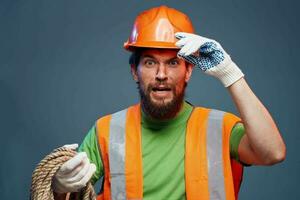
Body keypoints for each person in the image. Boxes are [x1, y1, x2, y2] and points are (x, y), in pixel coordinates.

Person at [51, 5, 286, 200]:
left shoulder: (220, 128)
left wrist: (229, 73)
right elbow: (70, 196)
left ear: (188, 71)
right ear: (135, 71)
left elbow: (272, 153)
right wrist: (60, 188)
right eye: (151, 63)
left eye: (173, 63)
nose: (161, 74)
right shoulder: (106, 130)